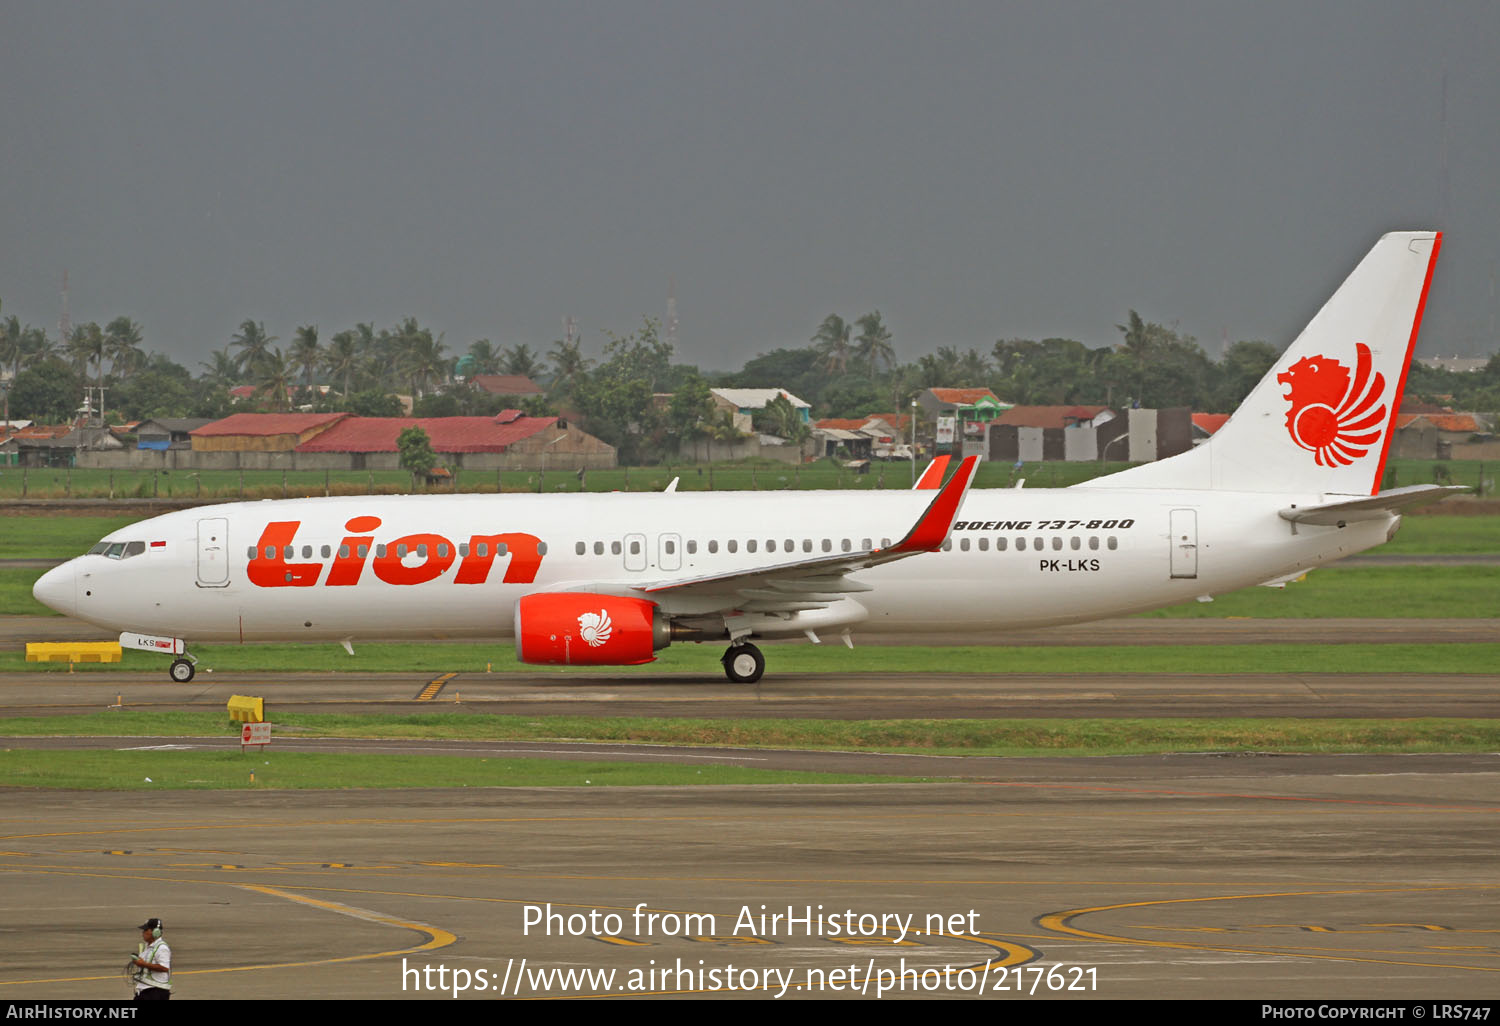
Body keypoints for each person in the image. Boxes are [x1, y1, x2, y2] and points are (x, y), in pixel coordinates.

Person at [131, 918, 171, 1000]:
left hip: (155, 992)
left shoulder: (162, 948)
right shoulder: (147, 947)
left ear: (156, 932)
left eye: (146, 930)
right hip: (145, 990)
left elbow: (164, 968)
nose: (143, 933)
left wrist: (143, 964)